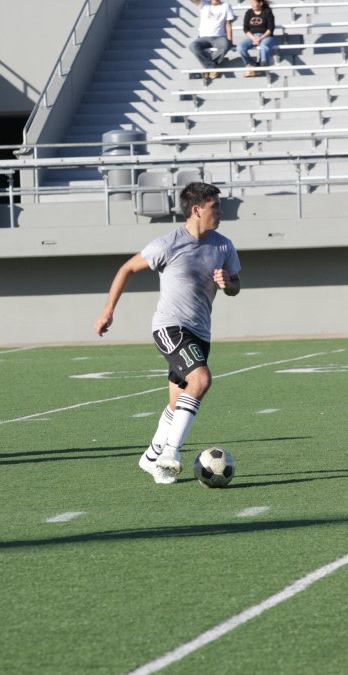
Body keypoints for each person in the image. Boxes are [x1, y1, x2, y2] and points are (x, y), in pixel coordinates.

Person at [94, 182, 241, 485]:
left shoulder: (224, 245)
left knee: (177, 402)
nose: (221, 212)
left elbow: (236, 287)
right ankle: (170, 453)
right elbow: (126, 269)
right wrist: (108, 311)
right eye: (216, 206)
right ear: (197, 210)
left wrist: (228, 283)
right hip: (170, 327)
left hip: (201, 332)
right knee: (201, 379)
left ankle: (150, 459)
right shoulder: (167, 243)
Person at [190, 0, 235, 80]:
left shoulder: (226, 5)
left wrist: (230, 40)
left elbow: (228, 24)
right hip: (203, 37)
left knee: (225, 45)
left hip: (219, 37)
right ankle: (213, 67)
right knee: (193, 46)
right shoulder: (203, 3)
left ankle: (208, 67)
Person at [238, 0, 275, 77]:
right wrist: (253, 38)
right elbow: (245, 29)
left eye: (253, 3)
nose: (251, 5)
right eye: (251, 3)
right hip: (252, 36)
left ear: (260, 3)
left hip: (266, 35)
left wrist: (260, 38)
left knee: (264, 45)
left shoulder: (267, 12)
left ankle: (263, 62)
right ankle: (251, 63)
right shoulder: (248, 12)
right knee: (240, 47)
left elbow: (270, 29)